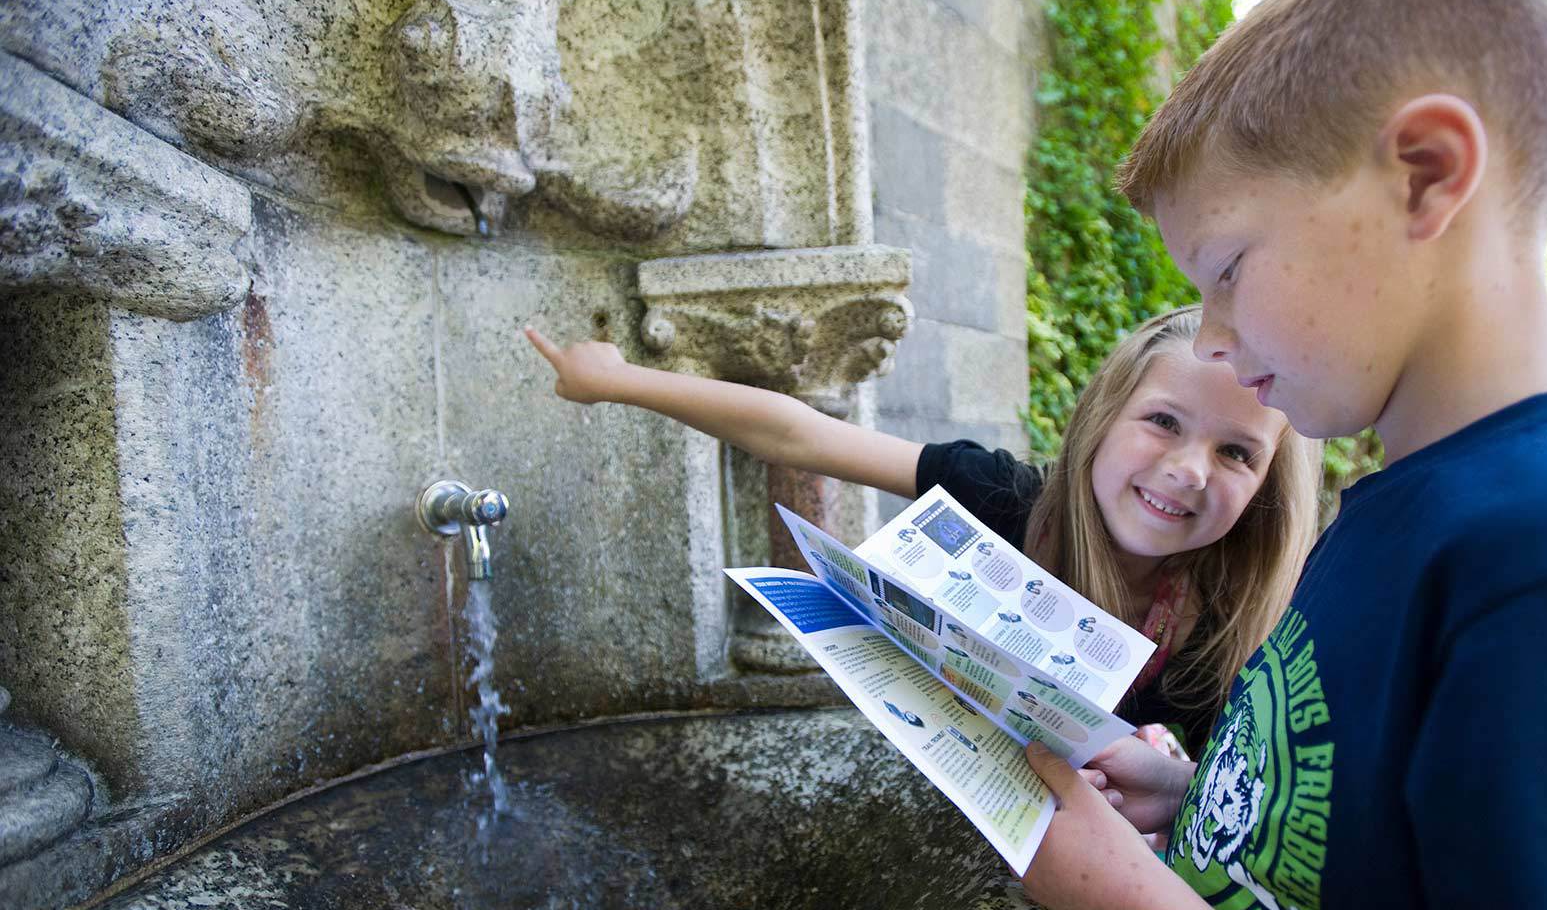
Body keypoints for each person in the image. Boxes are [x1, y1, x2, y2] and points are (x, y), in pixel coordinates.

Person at [1019, 0, 1547, 910]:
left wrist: (1131, 899)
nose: (1208, 336)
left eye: (1229, 269)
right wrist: (1192, 794)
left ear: (1426, 174)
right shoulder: (1398, 510)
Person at [524, 305, 1321, 758]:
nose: (1189, 469)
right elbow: (803, 437)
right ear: (1103, 419)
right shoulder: (1007, 498)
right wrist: (620, 380)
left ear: (1265, 490)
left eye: (1236, 453)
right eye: (1163, 422)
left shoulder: (1235, 629)